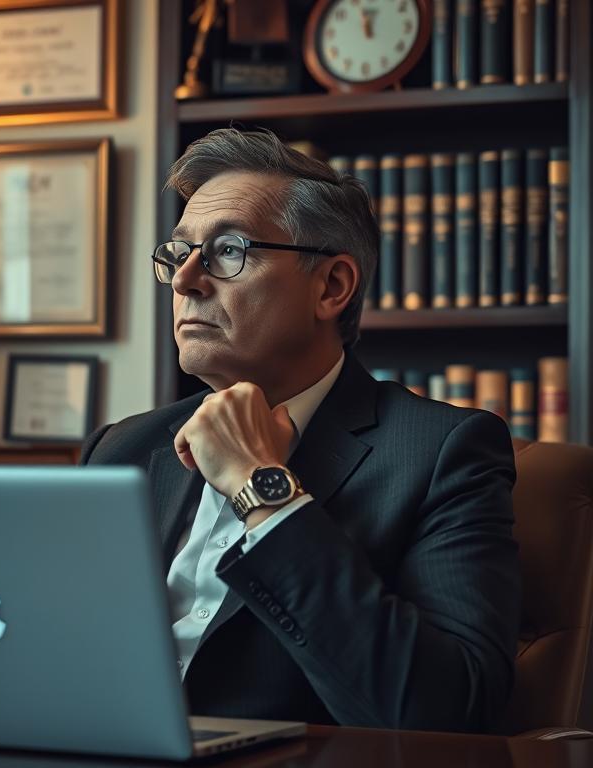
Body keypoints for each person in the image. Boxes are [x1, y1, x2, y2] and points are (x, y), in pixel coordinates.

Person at [81, 128, 520, 733]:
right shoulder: (120, 450)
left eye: (227, 251)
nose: (185, 281)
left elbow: (447, 713)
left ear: (332, 287)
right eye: (177, 254)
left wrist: (261, 488)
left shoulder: (445, 453)